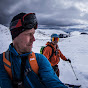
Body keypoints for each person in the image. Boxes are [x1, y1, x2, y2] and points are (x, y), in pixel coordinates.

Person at [0, 13, 68, 88]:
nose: (34, 39)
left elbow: (52, 82)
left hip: (55, 67)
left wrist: (65, 59)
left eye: (33, 34)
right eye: (28, 34)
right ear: (15, 36)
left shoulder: (40, 59)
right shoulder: (2, 61)